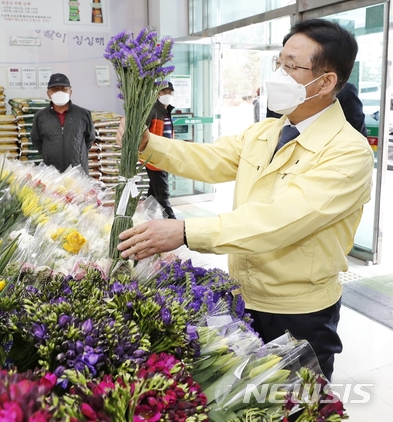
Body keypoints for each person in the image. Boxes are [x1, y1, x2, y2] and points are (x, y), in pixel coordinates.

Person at [115, 19, 373, 381]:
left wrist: (186, 232)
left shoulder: (348, 153)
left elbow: (279, 221)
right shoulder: (269, 130)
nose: (279, 76)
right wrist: (148, 144)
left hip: (299, 312)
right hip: (244, 297)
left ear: (327, 81)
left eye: (292, 67)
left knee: (295, 403)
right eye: (279, 63)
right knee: (245, 397)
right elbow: (212, 159)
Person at [30, 73, 95, 174]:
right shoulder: (41, 117)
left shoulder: (83, 114)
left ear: (70, 92)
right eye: (55, 89)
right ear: (48, 93)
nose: (60, 92)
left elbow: (89, 139)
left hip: (78, 173)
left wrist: (78, 153)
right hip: (52, 174)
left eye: (64, 89)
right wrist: (49, 154)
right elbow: (36, 140)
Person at [267, 82, 367, 136]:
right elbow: (272, 124)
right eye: (279, 63)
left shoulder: (344, 92)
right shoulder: (278, 92)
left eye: (292, 65)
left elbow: (357, 132)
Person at [145, 81, 176, 219]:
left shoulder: (167, 111)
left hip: (165, 156)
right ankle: (171, 221)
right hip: (155, 158)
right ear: (158, 93)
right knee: (162, 193)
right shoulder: (152, 110)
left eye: (170, 92)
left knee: (153, 190)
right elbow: (143, 132)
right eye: (164, 92)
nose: (167, 95)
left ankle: (147, 217)